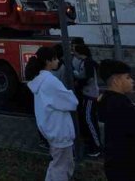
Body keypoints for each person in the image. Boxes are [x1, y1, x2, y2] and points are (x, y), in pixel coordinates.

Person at [98, 59, 135, 181]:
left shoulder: (108, 101)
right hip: (133, 169)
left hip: (118, 166)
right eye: (128, 77)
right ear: (116, 80)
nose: (132, 81)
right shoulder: (121, 105)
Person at [25, 46, 78, 181]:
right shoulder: (51, 81)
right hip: (60, 131)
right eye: (55, 59)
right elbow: (72, 102)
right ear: (48, 61)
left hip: (52, 130)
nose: (57, 61)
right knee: (61, 167)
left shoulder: (40, 80)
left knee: (59, 164)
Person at [72, 44, 101, 157]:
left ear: (80, 52)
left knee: (88, 119)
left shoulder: (87, 62)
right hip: (88, 94)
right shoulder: (85, 62)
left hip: (90, 95)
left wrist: (78, 82)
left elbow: (89, 78)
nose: (73, 53)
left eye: (74, 51)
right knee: (89, 118)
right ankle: (92, 144)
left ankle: (96, 147)